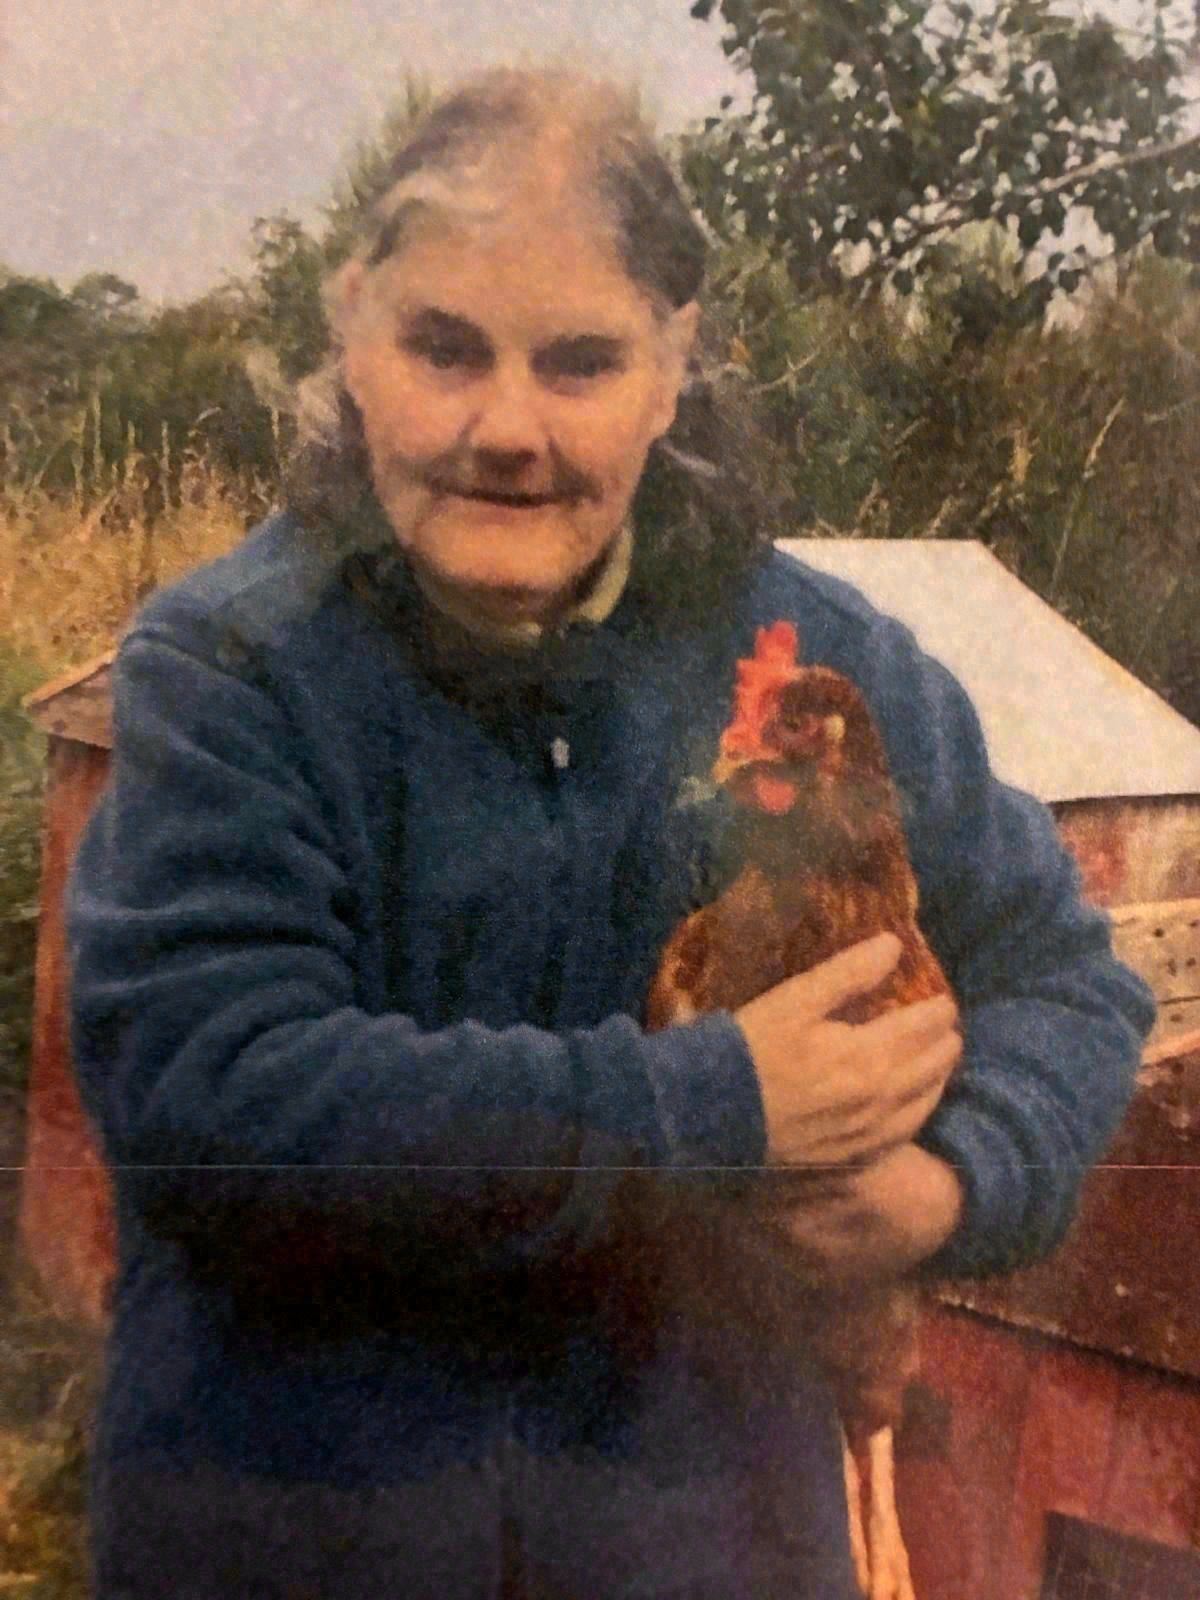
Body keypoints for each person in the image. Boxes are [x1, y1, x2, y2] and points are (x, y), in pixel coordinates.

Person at [66, 66, 1154, 1599]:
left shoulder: (814, 659)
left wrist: (949, 1186)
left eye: (580, 361)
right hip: (303, 1545)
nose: (507, 427)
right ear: (353, 335)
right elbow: (215, 1094)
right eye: (446, 348)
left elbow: (1070, 979)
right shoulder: (235, 666)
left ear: (672, 366)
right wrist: (712, 1107)